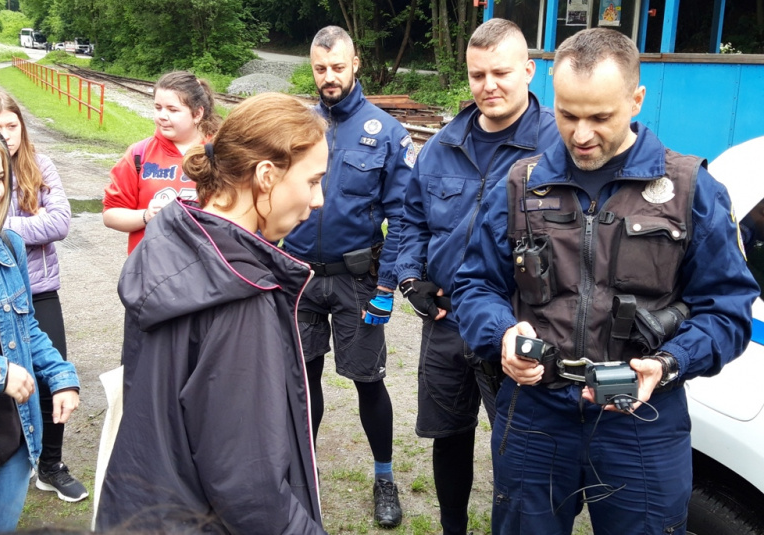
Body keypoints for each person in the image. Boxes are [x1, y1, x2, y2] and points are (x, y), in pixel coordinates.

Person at [451, 28, 759, 535]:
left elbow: (727, 312)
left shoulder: (690, 190)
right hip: (535, 418)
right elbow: (475, 286)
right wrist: (502, 334)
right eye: (569, 115)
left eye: (600, 117)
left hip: (642, 424)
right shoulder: (521, 184)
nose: (581, 134)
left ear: (636, 100)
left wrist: (668, 364)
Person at [95, 93, 329, 534]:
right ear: (266, 176)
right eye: (313, 181)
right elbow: (250, 484)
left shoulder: (173, 241)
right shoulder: (240, 295)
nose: (318, 200)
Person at [393, 18, 559, 535]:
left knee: (520, 444)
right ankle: (452, 527)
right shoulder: (444, 143)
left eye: (501, 73)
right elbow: (412, 218)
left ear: (529, 70)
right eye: (477, 74)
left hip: (517, 326)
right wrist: (409, 278)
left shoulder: (557, 145)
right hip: (445, 324)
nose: (489, 86)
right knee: (450, 435)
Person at [281, 25, 415, 528]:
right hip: (299, 277)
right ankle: (303, 471)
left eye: (338, 67)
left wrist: (387, 289)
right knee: (303, 378)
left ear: (355, 63)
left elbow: (403, 217)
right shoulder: (297, 125)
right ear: (312, 67)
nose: (329, 77)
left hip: (360, 283)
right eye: (320, 69)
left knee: (367, 382)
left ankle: (384, 477)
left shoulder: (386, 132)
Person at [0, 89, 87, 503]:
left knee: (49, 373)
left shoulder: (41, 166)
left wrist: (5, 229)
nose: (5, 134)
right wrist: (22, 222)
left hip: (35, 292)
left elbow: (59, 222)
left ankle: (49, 464)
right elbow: (42, 224)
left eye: (11, 125)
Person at [103, 70, 221, 254]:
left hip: (207, 271)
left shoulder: (222, 154)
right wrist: (146, 215)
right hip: (151, 272)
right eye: (158, 108)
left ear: (197, 114)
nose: (162, 116)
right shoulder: (139, 154)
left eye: (172, 110)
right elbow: (110, 215)